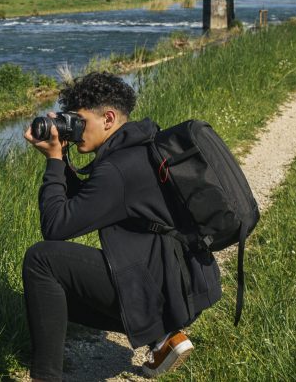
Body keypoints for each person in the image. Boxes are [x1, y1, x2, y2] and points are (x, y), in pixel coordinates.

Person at [22, 71, 221, 380]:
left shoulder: (118, 168)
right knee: (54, 298)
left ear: (108, 118)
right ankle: (163, 337)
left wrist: (53, 161)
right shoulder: (141, 145)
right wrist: (59, 155)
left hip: (165, 286)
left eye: (78, 121)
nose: (74, 129)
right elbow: (87, 204)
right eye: (69, 120)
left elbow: (56, 226)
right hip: (184, 284)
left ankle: (46, 377)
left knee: (42, 261)